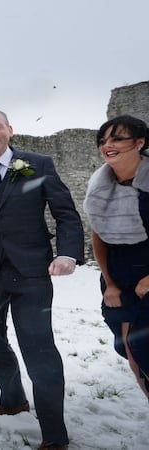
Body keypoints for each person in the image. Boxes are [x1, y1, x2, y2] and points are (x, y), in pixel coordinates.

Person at [0, 109, 84, 450]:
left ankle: (55, 435)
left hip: (31, 273)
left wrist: (68, 252)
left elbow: (65, 213)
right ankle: (12, 400)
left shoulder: (38, 164)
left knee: (39, 350)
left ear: (10, 130)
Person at [83, 115, 149, 401]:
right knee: (133, 355)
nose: (107, 145)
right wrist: (110, 282)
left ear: (140, 142)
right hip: (119, 277)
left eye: (117, 138)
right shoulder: (101, 185)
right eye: (103, 140)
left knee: (147, 350)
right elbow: (99, 236)